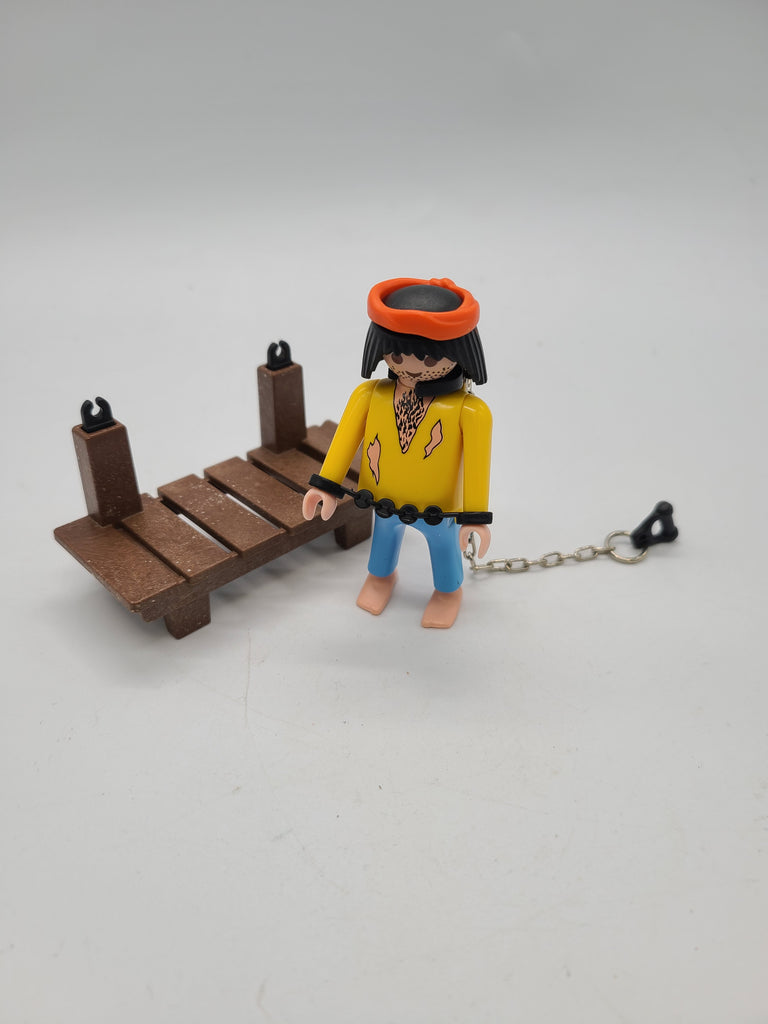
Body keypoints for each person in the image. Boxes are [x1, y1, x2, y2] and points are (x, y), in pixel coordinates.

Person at [303, 277, 492, 628]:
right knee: (384, 540)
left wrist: (475, 517)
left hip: (438, 507)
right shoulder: (368, 396)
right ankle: (380, 577)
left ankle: (448, 592)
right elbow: (344, 441)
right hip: (383, 497)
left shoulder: (470, 412)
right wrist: (326, 485)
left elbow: (479, 465)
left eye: (429, 357)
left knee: (443, 548)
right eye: (399, 354)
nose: (412, 366)